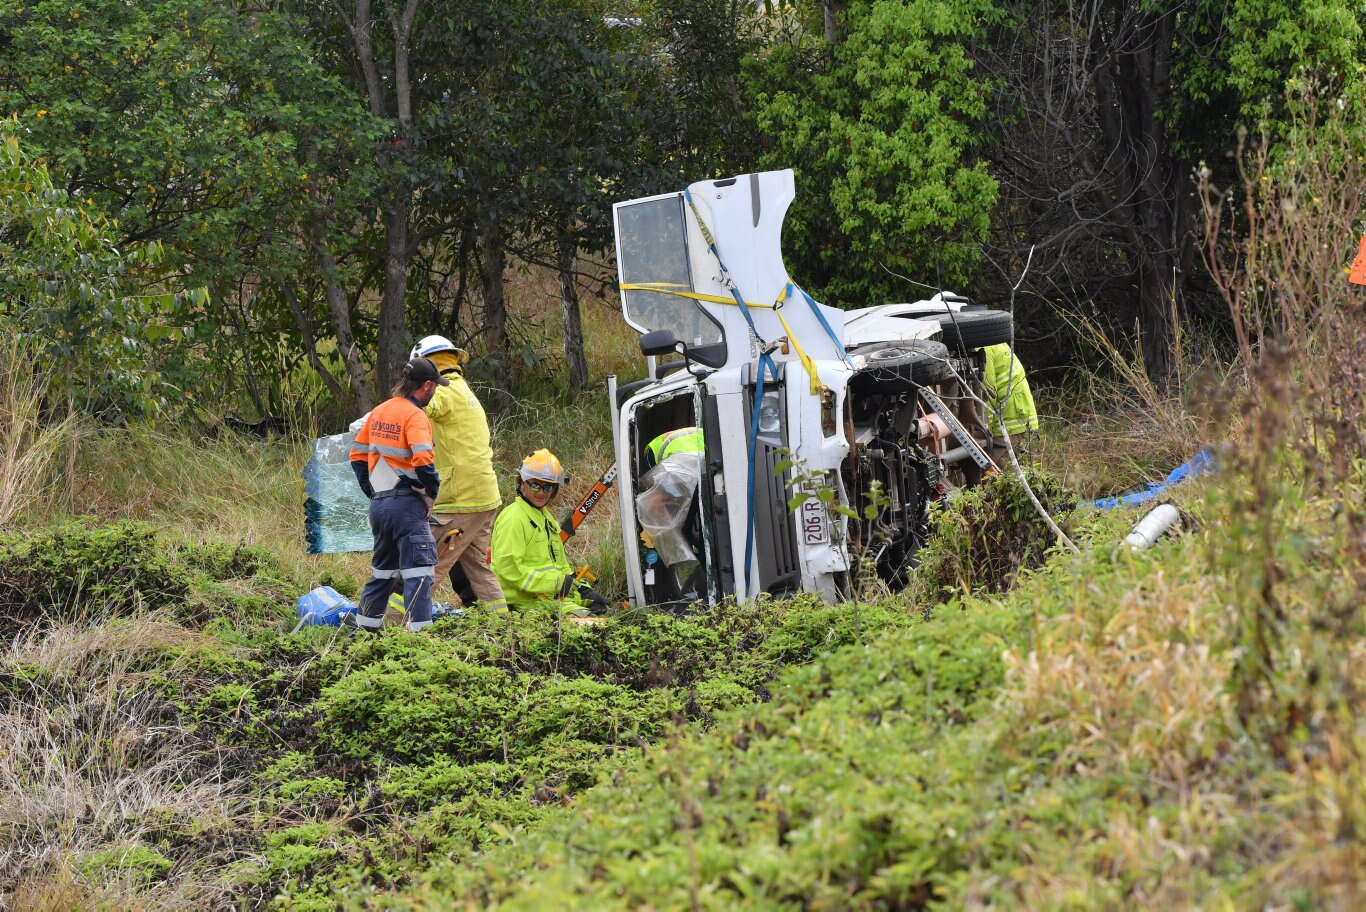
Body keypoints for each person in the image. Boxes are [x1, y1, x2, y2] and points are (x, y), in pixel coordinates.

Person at [346, 357, 447, 632]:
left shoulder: (379, 411)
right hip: (407, 507)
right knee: (419, 573)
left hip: (380, 506)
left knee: (382, 574)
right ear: (426, 386)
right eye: (435, 386)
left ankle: (365, 633)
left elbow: (356, 455)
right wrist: (430, 493)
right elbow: (424, 459)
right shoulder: (415, 416)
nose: (435, 390)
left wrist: (374, 492)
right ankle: (420, 644)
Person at [410, 334, 506, 611]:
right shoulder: (464, 390)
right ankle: (505, 628)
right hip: (484, 497)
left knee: (424, 565)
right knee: (479, 569)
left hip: (460, 499)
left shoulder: (442, 392)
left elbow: (422, 404)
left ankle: (391, 629)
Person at [490, 449, 611, 614]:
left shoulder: (545, 519)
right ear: (522, 483)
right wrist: (557, 584)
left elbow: (560, 566)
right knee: (588, 625)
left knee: (598, 613)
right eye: (535, 485)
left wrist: (581, 589)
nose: (541, 492)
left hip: (547, 598)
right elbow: (509, 570)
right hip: (521, 604)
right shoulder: (513, 519)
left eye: (548, 487)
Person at [980, 342, 1039, 466]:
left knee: (993, 474)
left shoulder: (982, 348)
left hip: (1009, 421)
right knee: (1021, 475)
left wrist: (983, 429)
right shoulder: (993, 340)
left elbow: (987, 394)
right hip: (1019, 416)